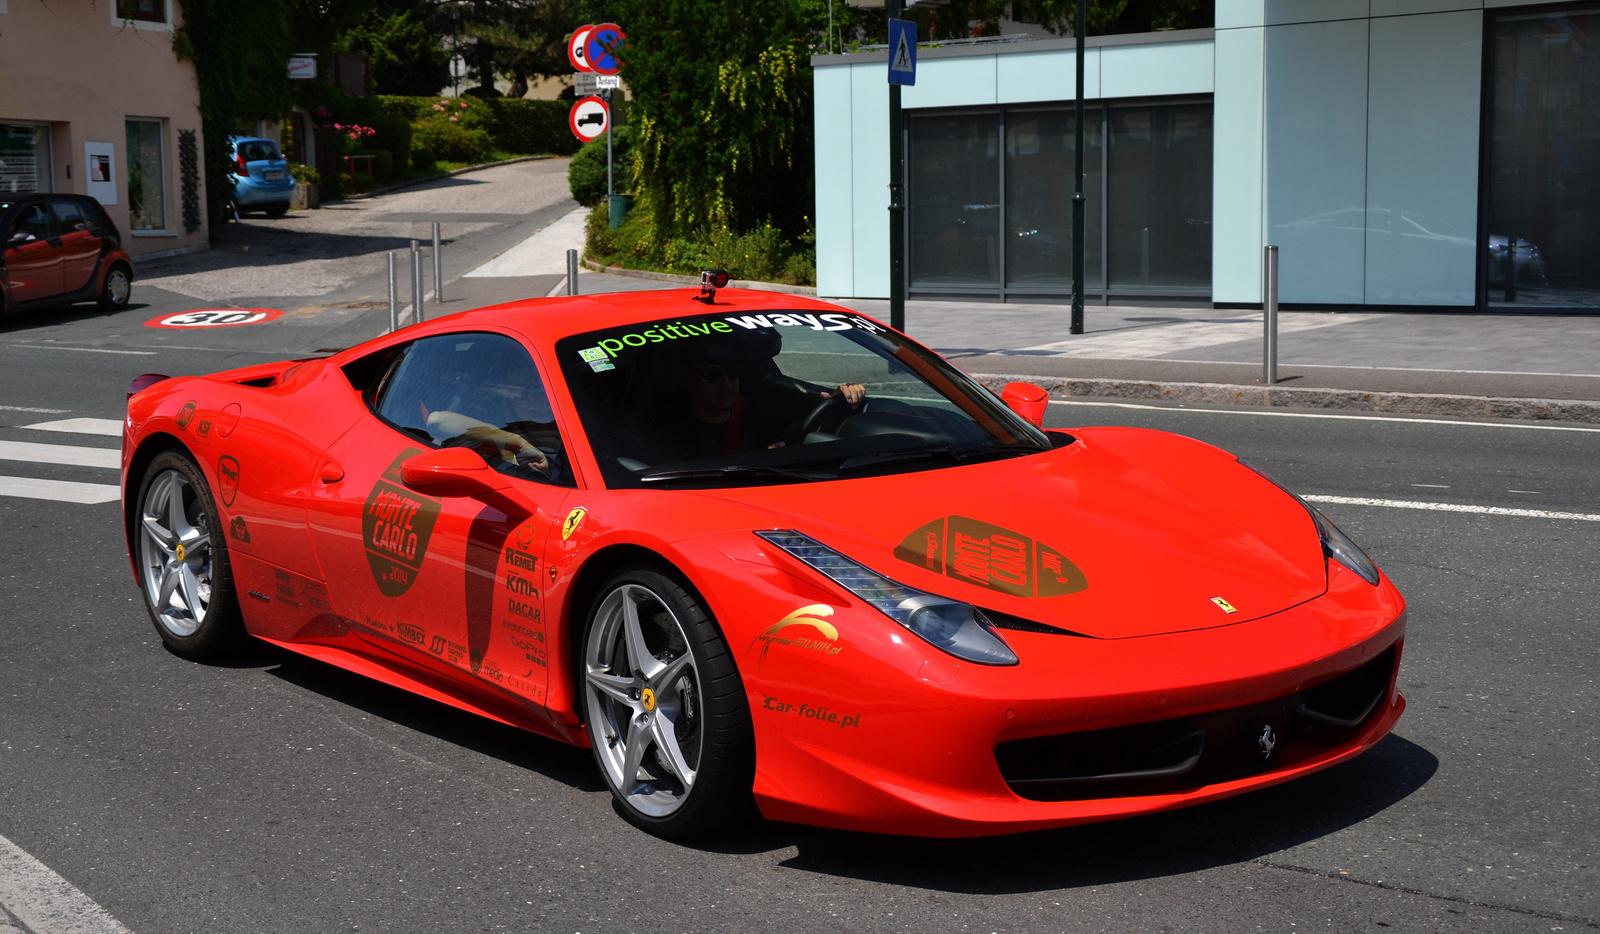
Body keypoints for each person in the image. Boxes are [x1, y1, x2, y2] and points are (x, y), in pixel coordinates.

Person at [643, 343, 865, 463]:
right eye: (710, 375)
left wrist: (839, 402)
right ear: (687, 376)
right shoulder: (667, 432)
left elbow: (800, 432)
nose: (725, 384)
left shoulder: (757, 414)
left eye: (733, 372)